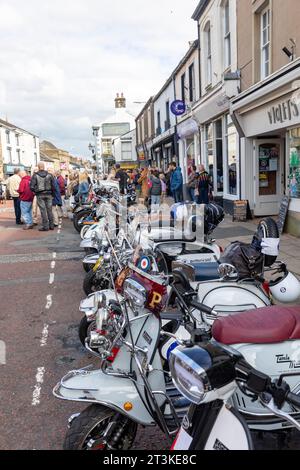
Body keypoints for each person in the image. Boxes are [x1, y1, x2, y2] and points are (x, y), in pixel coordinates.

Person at [30, 162, 55, 232]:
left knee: (43, 211)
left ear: (38, 167)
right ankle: (51, 225)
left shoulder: (35, 175)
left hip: (40, 194)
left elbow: (31, 186)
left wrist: (36, 191)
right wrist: (52, 194)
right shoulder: (50, 175)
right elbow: (54, 186)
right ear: (44, 167)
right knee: (49, 210)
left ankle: (45, 226)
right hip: (49, 194)